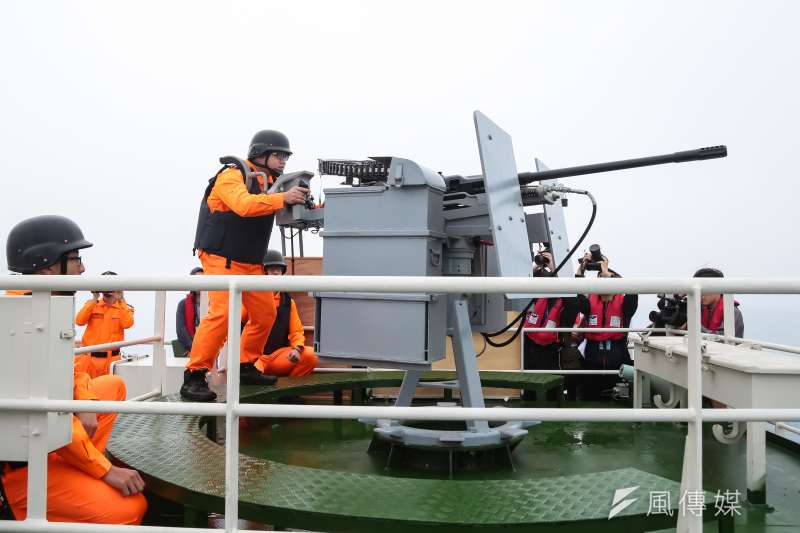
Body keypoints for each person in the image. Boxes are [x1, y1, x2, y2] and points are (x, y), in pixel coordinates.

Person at [1, 215, 146, 524]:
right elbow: (50, 413)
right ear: (48, 266)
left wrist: (87, 404)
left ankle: (78, 467)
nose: (82, 269)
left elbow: (70, 367)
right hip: (18, 469)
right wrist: (107, 471)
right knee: (129, 510)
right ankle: (46, 494)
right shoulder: (20, 323)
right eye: (75, 259)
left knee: (111, 387)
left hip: (47, 440)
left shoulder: (44, 306)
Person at [183, 130, 311, 401]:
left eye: (285, 156)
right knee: (223, 314)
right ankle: (194, 376)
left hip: (251, 263)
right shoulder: (232, 174)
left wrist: (307, 206)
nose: (283, 161)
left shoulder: (274, 183)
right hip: (221, 258)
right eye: (278, 155)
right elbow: (242, 205)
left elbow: (275, 206)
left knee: (265, 312)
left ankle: (245, 365)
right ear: (260, 153)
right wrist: (283, 198)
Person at [575, 251, 638, 400]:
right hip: (592, 359)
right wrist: (581, 270)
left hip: (618, 358)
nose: (603, 283)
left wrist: (606, 271)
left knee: (618, 399)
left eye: (606, 279)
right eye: (600, 280)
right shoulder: (589, 303)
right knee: (589, 397)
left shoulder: (624, 305)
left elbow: (633, 292)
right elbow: (576, 295)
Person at [246, 250, 318, 378]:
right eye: (271, 269)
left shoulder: (288, 302)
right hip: (253, 360)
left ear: (282, 273)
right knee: (247, 372)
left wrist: (296, 349)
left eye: (278, 270)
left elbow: (296, 332)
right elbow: (232, 325)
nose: (275, 273)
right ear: (264, 272)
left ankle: (288, 393)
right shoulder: (250, 298)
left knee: (310, 356)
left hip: (277, 357)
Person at [522, 250, 581, 400]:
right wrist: (531, 272)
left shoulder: (564, 300)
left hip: (552, 349)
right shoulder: (535, 295)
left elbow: (575, 301)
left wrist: (555, 269)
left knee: (550, 388)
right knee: (529, 387)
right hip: (529, 347)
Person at [74, 271, 134, 378]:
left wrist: (121, 300)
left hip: (112, 360)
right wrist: (94, 298)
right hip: (89, 360)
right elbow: (79, 321)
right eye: (104, 285)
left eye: (111, 285)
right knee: (87, 392)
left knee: (109, 392)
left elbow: (128, 324)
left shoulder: (123, 307)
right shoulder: (92, 304)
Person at [693, 267, 744, 338]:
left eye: (704, 289)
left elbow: (723, 339)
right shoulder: (699, 309)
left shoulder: (732, 312)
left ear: (718, 288)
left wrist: (694, 325)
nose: (701, 293)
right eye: (698, 290)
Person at [175, 266, 204, 356]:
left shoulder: (215, 304)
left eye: (202, 280)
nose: (199, 283)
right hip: (191, 350)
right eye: (196, 280)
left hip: (211, 349)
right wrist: (193, 348)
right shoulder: (182, 304)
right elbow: (181, 329)